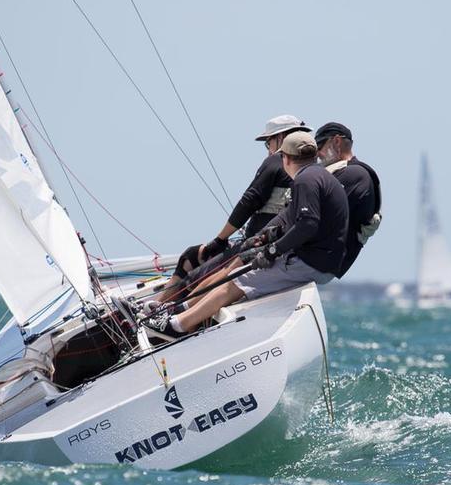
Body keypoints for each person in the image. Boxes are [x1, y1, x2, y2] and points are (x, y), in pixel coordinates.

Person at [144, 132, 348, 340]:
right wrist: (261, 238)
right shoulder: (321, 176)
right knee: (237, 271)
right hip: (323, 262)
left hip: (310, 263)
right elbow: (288, 219)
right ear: (313, 157)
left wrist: (272, 251)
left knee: (237, 281)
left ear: (285, 158)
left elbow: (308, 224)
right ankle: (181, 310)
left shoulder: (304, 180)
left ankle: (177, 327)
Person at [163, 115, 311, 297]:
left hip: (257, 245)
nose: (268, 149)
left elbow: (248, 202)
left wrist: (219, 240)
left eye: (268, 142)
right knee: (193, 254)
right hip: (289, 251)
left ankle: (157, 309)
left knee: (192, 278)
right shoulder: (314, 170)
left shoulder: (276, 160)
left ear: (282, 137)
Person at [313, 122, 382, 278]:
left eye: (320, 146)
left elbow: (317, 215)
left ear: (336, 141)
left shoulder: (354, 174)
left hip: (323, 261)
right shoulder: (347, 173)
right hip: (326, 260)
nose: (317, 154)